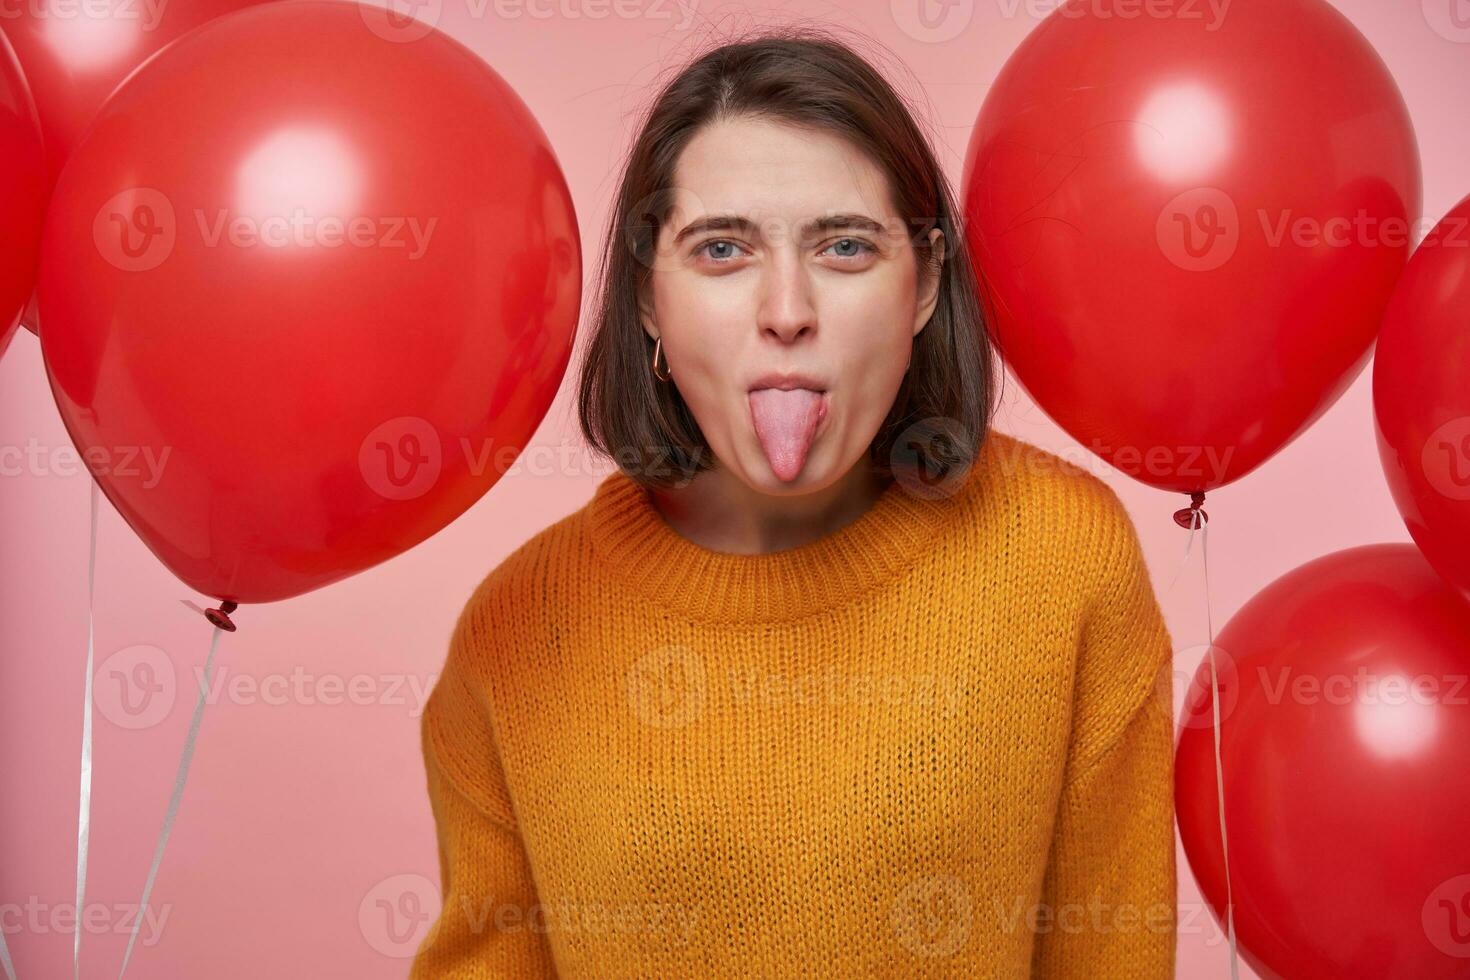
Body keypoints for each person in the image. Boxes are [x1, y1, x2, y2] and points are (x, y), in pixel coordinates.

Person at [409, 27, 1177, 979]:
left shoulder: (1064, 559)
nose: (785, 308)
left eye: (846, 246)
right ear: (648, 297)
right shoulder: (514, 636)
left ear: (927, 282)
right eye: (722, 248)